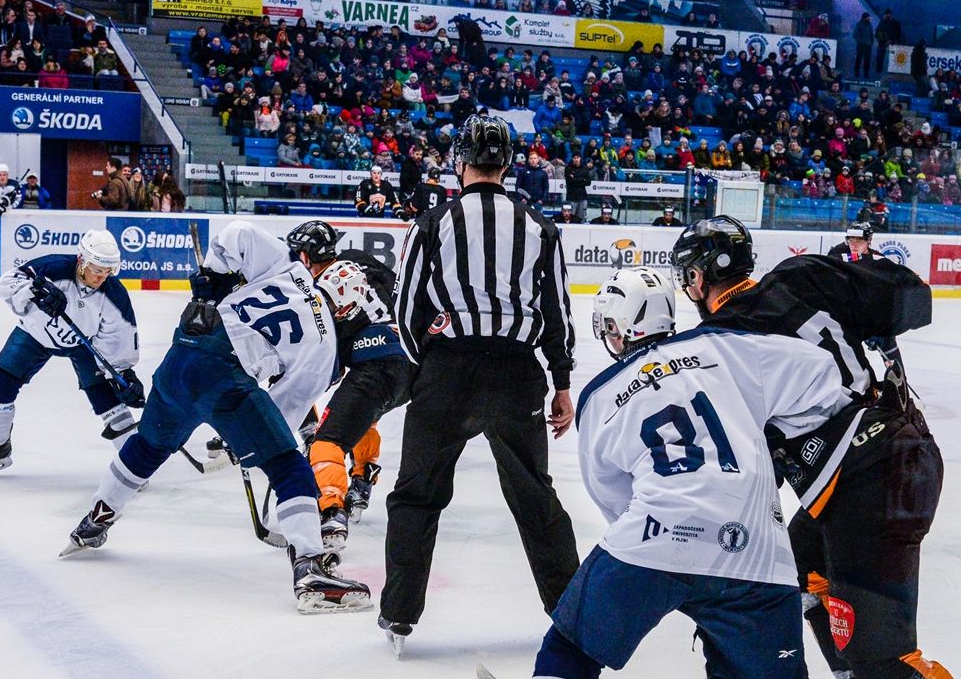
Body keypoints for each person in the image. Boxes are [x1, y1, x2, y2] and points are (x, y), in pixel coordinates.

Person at [533, 266, 850, 678]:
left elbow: (610, 495)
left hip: (653, 538)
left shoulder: (600, 395)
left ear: (618, 328)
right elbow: (821, 370)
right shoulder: (727, 346)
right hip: (757, 551)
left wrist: (669, 547)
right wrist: (775, 431)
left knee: (572, 646)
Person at [670, 216, 948, 679]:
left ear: (698, 278)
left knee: (885, 663)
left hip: (868, 483)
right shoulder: (802, 275)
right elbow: (912, 299)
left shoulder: (722, 344)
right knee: (801, 568)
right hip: (898, 450)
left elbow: (750, 464)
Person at [60, 221, 373, 614]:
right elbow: (286, 408)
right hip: (225, 379)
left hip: (183, 352)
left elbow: (237, 234)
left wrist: (214, 277)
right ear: (347, 310)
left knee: (148, 446)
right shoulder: (325, 347)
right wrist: (244, 440)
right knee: (288, 465)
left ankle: (95, 520)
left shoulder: (288, 268)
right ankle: (310, 568)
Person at [381, 114, 580, 655]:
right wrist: (562, 383)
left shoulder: (432, 222)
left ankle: (399, 613)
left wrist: (429, 367)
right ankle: (572, 609)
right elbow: (557, 312)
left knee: (417, 495)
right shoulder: (541, 227)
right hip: (517, 374)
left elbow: (406, 310)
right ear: (507, 165)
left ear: (459, 163)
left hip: (447, 373)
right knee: (534, 495)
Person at [0, 231, 144, 477]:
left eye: (108, 271)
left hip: (84, 344)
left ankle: (135, 463)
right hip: (36, 334)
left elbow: (119, 337)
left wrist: (124, 375)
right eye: (97, 270)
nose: (101, 277)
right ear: (81, 260)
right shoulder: (54, 267)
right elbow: (7, 283)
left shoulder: (114, 294)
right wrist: (35, 291)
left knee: (107, 399)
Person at [284, 220, 414, 550]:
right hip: (413, 364)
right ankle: (362, 476)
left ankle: (331, 513)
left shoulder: (316, 294)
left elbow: (329, 368)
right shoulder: (360, 258)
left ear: (304, 256)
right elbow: (401, 292)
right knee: (364, 416)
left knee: (326, 444)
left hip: (375, 370)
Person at [564, 153, 592, 223]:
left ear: (580, 158)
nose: (576, 159)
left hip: (582, 197)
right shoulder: (568, 168)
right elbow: (570, 181)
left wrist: (575, 178)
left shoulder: (584, 168)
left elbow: (588, 182)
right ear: (572, 158)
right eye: (574, 158)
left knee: (581, 219)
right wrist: (582, 179)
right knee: (570, 219)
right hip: (571, 197)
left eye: (577, 157)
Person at [875, 9, 902, 74]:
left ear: (890, 14)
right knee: (880, 56)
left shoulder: (895, 23)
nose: (884, 16)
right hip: (882, 43)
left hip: (891, 43)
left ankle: (891, 71)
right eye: (885, 14)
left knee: (891, 57)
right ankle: (879, 70)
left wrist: (892, 40)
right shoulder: (882, 22)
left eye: (886, 14)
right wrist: (879, 38)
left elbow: (898, 33)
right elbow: (877, 31)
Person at [853, 13, 874, 80]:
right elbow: (855, 35)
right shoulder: (859, 24)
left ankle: (866, 74)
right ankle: (856, 73)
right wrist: (862, 41)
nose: (869, 18)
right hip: (861, 45)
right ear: (865, 18)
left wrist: (871, 41)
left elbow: (871, 35)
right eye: (868, 17)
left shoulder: (870, 25)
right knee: (858, 59)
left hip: (868, 46)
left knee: (867, 60)